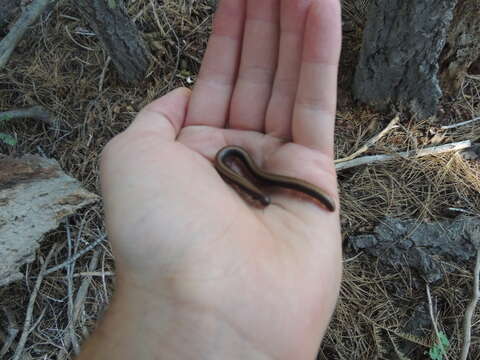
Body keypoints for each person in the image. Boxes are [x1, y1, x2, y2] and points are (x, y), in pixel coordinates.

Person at [77, 0, 342, 358]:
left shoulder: (250, 173)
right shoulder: (246, 177)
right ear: (256, 196)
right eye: (260, 199)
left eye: (260, 199)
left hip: (240, 166)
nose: (261, 199)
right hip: (237, 166)